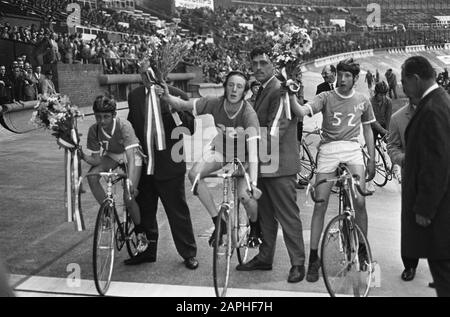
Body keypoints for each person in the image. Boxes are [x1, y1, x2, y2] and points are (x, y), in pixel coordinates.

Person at [290, 58, 376, 283]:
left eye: (348, 76)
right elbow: (300, 111)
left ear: (355, 79)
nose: (343, 79)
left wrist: (372, 160)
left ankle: (363, 249)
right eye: (340, 74)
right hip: (328, 149)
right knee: (320, 203)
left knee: (360, 201)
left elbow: (368, 131)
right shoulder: (326, 97)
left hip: (352, 149)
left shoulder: (363, 100)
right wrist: (290, 92)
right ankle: (314, 257)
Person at [161, 70, 261, 248]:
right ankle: (219, 221)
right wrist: (168, 98)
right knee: (194, 175)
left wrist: (253, 182)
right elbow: (184, 105)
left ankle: (255, 226)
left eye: (239, 87)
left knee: (245, 196)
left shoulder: (248, 114)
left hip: (244, 157)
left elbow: (253, 153)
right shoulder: (214, 103)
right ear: (225, 87)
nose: (234, 90)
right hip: (221, 151)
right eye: (230, 85)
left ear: (245, 92)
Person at [235, 46, 306, 284]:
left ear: (273, 65)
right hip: (264, 164)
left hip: (280, 165)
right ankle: (265, 257)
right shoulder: (262, 90)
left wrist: (249, 153)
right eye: (254, 64)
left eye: (263, 63)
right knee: (265, 214)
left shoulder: (280, 90)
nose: (258, 68)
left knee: (287, 215)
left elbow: (276, 130)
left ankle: (298, 263)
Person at [125, 64, 199, 270]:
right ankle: (147, 251)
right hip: (144, 165)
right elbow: (131, 125)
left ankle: (189, 253)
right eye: (142, 73)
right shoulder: (135, 96)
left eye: (150, 73)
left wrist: (171, 107)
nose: (146, 76)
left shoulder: (177, 94)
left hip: (170, 165)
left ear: (160, 74)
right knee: (145, 212)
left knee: (178, 213)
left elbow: (189, 128)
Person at [400, 56, 450, 297]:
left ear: (415, 79)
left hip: (437, 214)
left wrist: (424, 208)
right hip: (439, 210)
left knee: (443, 272)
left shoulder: (432, 109)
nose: (403, 88)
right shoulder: (437, 101)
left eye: (404, 82)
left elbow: (437, 164)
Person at [81, 96, 148, 253]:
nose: (102, 120)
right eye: (98, 116)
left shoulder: (124, 125)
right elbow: (96, 160)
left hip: (131, 155)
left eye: (106, 116)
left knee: (129, 197)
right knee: (91, 176)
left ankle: (141, 233)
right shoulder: (94, 130)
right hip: (112, 155)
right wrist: (82, 155)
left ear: (114, 114)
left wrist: (130, 182)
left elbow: (131, 156)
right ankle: (108, 211)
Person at [387, 97, 421, 282]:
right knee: (410, 221)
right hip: (412, 179)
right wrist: (402, 159)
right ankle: (410, 264)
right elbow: (392, 145)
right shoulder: (397, 118)